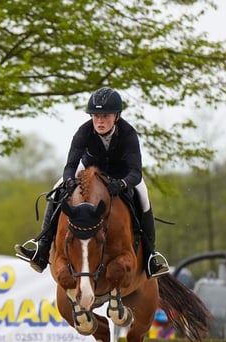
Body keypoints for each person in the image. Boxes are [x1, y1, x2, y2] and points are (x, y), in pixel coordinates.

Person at [14, 87, 170, 278]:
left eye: (105, 116)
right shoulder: (84, 131)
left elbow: (135, 172)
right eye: (96, 116)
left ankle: (150, 257)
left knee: (143, 197)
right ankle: (42, 248)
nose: (100, 121)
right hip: (89, 171)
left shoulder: (128, 134)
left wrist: (121, 184)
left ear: (117, 117)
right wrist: (70, 181)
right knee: (56, 188)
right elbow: (70, 165)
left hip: (121, 175)